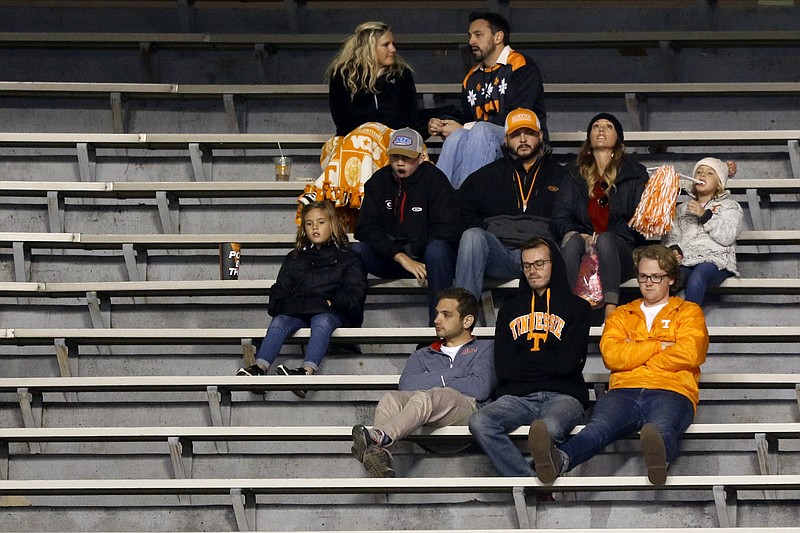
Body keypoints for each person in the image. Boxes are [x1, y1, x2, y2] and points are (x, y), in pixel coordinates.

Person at [529, 244, 709, 486]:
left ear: (672, 279)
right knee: (597, 428)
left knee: (660, 426)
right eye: (643, 276)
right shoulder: (621, 314)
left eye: (656, 277)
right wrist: (658, 346)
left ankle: (659, 462)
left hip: (672, 390)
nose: (648, 283)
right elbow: (612, 356)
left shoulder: (688, 312)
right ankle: (558, 461)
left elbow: (690, 353)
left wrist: (634, 355)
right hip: (624, 390)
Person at [469, 237, 591, 477]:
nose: (532, 271)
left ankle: (538, 479)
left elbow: (569, 364)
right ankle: (530, 482)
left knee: (548, 429)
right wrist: (552, 360)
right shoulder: (509, 310)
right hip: (516, 398)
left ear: (554, 264)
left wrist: (526, 361)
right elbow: (504, 368)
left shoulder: (578, 308)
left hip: (563, 396)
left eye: (539, 263)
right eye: (527, 265)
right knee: (480, 422)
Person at [351, 288, 495, 477]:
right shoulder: (422, 354)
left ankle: (379, 436)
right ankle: (380, 454)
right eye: (437, 313)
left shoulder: (486, 348)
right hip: (426, 421)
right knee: (391, 398)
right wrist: (456, 374)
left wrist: (430, 379)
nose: (436, 320)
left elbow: (479, 388)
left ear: (467, 321)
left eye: (446, 314)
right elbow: (406, 385)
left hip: (468, 411)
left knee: (429, 396)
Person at [237, 201, 367, 398]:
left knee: (322, 321)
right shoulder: (295, 257)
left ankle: (306, 372)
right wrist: (280, 305)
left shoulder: (349, 258)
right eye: (309, 223)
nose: (315, 227)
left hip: (330, 312)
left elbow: (354, 294)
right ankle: (260, 368)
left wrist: (332, 303)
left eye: (321, 222)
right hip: (299, 309)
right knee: (280, 321)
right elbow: (280, 288)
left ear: (332, 223)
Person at [299, 21, 419, 231]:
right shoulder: (342, 75)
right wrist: (373, 122)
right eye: (386, 45)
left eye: (393, 44)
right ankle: (355, 209)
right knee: (337, 145)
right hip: (353, 140)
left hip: (393, 141)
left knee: (365, 136)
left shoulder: (401, 76)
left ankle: (332, 196)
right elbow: (342, 120)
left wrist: (372, 123)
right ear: (369, 48)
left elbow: (407, 118)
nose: (393, 49)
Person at [455, 108, 566, 303]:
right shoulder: (484, 177)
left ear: (540, 136)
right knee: (472, 236)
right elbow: (462, 214)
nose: (522, 139)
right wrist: (489, 228)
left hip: (545, 255)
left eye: (529, 133)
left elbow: (572, 217)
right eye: (515, 134)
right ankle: (464, 318)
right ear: (505, 140)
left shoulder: (562, 176)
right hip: (501, 254)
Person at [352, 128, 460, 326]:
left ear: (420, 157)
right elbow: (365, 228)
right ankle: (350, 327)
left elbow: (448, 227)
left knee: (438, 249)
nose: (400, 163)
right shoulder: (379, 181)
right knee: (355, 250)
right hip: (392, 258)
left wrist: (414, 250)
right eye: (395, 157)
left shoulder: (435, 180)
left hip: (427, 261)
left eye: (407, 157)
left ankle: (437, 330)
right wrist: (401, 256)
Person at [428, 11, 546, 189]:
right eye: (470, 36)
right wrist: (444, 124)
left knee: (480, 130)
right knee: (457, 137)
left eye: (478, 35)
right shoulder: (471, 77)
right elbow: (467, 119)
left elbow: (517, 117)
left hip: (521, 139)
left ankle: (471, 200)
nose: (471, 42)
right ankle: (440, 203)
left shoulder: (521, 66)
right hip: (480, 145)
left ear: (498, 37)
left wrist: (466, 127)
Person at [551, 112, 649, 319]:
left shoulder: (635, 173)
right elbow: (560, 215)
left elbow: (639, 220)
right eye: (596, 126)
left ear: (618, 138)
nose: (601, 129)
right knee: (574, 241)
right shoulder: (572, 173)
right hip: (582, 249)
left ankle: (611, 309)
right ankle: (563, 310)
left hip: (622, 249)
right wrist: (580, 235)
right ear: (589, 138)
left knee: (605, 239)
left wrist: (605, 238)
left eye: (608, 126)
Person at [663, 157, 743, 306]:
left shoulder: (730, 206)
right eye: (699, 172)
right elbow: (671, 237)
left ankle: (690, 325)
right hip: (686, 260)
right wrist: (674, 250)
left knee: (698, 277)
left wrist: (705, 216)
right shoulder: (682, 208)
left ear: (719, 182)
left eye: (710, 173)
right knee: (667, 278)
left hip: (716, 261)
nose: (702, 175)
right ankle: (659, 321)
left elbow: (728, 236)